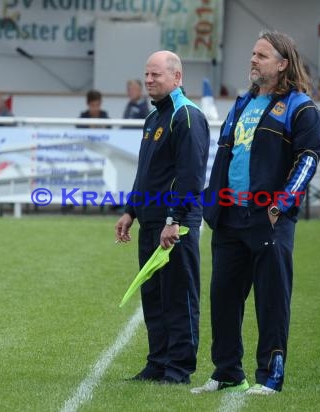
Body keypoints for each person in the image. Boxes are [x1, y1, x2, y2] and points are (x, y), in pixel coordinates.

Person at [193, 31, 320, 395]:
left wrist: (281, 204)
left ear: (282, 64)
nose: (252, 60)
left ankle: (270, 376)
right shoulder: (241, 103)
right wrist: (211, 201)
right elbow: (224, 155)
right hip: (230, 217)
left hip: (268, 218)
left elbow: (307, 160)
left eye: (261, 55)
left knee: (271, 300)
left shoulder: (301, 107)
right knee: (223, 298)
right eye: (252, 53)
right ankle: (227, 371)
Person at [115, 50, 210, 384]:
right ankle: (157, 362)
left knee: (179, 294)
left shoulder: (187, 116)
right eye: (147, 74)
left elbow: (191, 175)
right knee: (153, 294)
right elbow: (146, 172)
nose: (149, 80)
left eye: (156, 75)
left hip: (176, 222)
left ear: (177, 77)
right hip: (151, 220)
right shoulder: (154, 117)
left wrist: (175, 219)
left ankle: (179, 367)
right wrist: (131, 210)